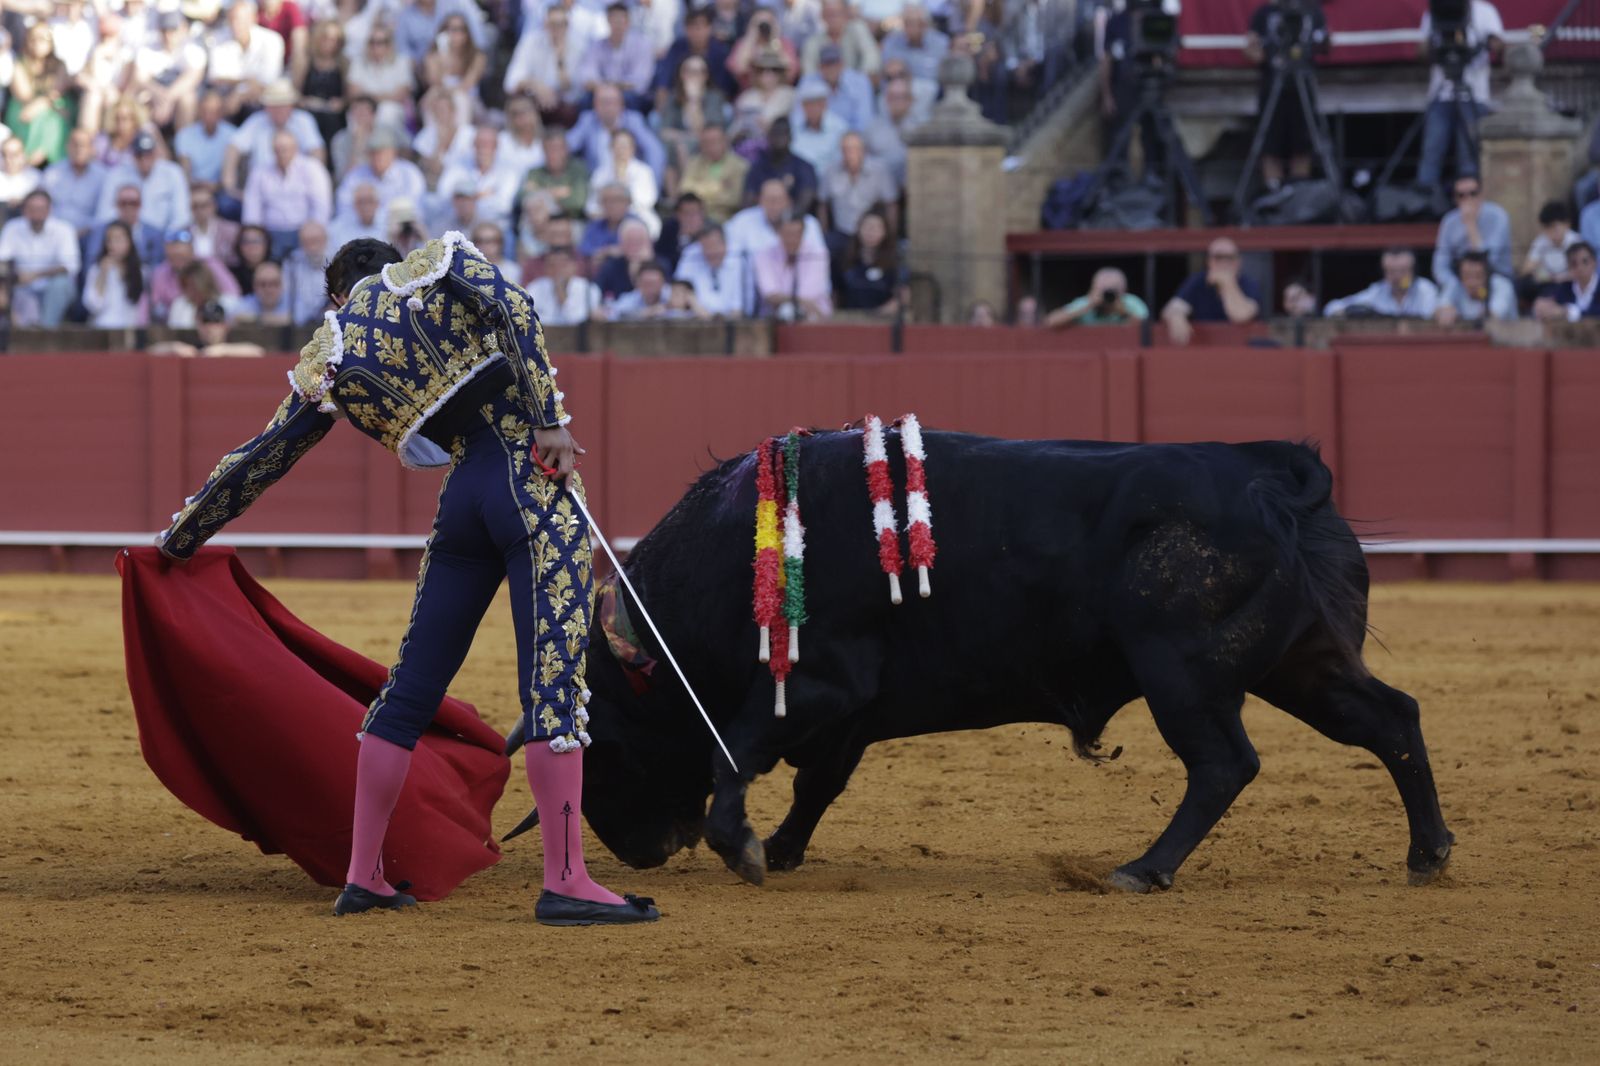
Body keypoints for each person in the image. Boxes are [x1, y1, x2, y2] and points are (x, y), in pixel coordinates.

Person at [156, 233, 659, 926]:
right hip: (527, 480)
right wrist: (549, 422)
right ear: (389, 263)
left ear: (337, 295)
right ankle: (566, 878)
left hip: (462, 508)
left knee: (408, 692)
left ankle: (364, 873)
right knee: (553, 684)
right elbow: (515, 307)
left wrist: (179, 539)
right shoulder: (435, 264)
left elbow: (260, 458)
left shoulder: (330, 356)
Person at [1416, 0, 1504, 190]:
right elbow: (1422, 50)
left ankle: (1468, 203)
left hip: (1474, 93)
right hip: (1441, 93)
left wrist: (1485, 45)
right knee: (1432, 152)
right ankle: (1424, 203)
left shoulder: (1485, 11)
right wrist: (1435, 48)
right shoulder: (1437, 9)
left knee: (1468, 157)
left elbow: (1498, 44)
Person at [1243, 1, 1329, 189]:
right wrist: (1266, 53)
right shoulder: (1265, 13)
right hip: (1273, 83)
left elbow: (1325, 44)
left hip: (1302, 86)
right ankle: (1274, 195)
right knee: (1270, 146)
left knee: (1302, 146)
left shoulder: (1312, 11)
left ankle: (1298, 195)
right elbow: (1251, 49)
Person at [241, 130, 332, 261]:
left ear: (296, 148)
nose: (281, 153)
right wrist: (255, 236)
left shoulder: (312, 168)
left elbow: (321, 207)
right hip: (270, 233)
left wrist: (312, 231)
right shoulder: (260, 172)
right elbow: (252, 207)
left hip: (302, 232)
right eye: (277, 149)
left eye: (286, 149)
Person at [1160, 237, 1262, 346]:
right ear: (1209, 261)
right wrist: (1176, 316)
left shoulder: (1249, 284)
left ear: (1238, 262)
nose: (1224, 262)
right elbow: (1173, 307)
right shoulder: (1198, 281)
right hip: (1205, 349)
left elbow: (1241, 316)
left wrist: (1228, 284)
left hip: (1242, 350)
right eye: (1218, 257)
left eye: (1230, 258)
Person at [0, 189, 79, 327]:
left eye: (41, 208)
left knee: (61, 284)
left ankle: (46, 330)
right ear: (24, 210)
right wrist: (4, 287)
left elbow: (70, 266)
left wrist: (35, 275)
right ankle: (24, 331)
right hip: (21, 286)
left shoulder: (64, 229)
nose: (36, 213)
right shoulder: (12, 228)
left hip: (52, 287)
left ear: (50, 210)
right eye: (32, 208)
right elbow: (3, 261)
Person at [567, 83, 668, 183]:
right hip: (597, 183)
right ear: (594, 105)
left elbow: (655, 151)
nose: (607, 107)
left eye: (612, 102)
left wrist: (652, 187)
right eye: (603, 102)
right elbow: (567, 145)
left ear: (622, 105)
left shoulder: (633, 120)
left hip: (628, 184)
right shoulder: (587, 120)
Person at [6, 22, 76, 167]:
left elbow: (57, 90)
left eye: (43, 39)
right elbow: (24, 94)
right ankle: (30, 158)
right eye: (33, 39)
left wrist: (42, 103)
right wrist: (42, 103)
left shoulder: (59, 64)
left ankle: (46, 156)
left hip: (49, 105)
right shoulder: (19, 63)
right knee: (39, 116)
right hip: (25, 106)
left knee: (55, 119)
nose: (38, 43)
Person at [503, 3, 587, 118]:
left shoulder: (578, 47)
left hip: (562, 107)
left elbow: (576, 92)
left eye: (561, 24)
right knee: (519, 103)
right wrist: (536, 86)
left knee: (569, 110)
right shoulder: (530, 42)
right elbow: (511, 82)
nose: (556, 29)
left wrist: (560, 61)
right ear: (545, 25)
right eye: (552, 24)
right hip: (532, 103)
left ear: (568, 26)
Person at [209, 0, 288, 118]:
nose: (235, 25)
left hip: (262, 102)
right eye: (232, 19)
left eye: (240, 20)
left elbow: (267, 82)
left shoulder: (272, 41)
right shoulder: (217, 38)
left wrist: (239, 94)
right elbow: (217, 78)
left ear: (253, 19)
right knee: (210, 104)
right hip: (226, 99)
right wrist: (247, 82)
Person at [132, 11, 209, 131]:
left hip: (176, 100)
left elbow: (194, 77)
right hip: (155, 100)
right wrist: (159, 96)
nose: (169, 35)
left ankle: (182, 145)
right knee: (141, 98)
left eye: (173, 30)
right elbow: (140, 79)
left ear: (183, 29)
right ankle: (149, 143)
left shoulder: (192, 49)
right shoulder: (148, 49)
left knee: (187, 99)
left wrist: (167, 99)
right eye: (165, 30)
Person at [819, 131, 897, 249]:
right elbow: (822, 204)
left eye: (854, 149)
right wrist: (823, 233)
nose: (850, 153)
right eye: (845, 149)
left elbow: (891, 204)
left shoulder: (879, 171)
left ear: (864, 150)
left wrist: (891, 234)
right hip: (842, 232)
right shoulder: (831, 171)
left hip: (871, 234)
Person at [149, 227, 243, 324]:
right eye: (173, 257)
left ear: (191, 251)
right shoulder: (160, 272)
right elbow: (156, 305)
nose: (178, 261)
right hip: (180, 315)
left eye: (181, 256)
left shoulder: (210, 264)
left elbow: (234, 295)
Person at [1432, 175, 1512, 288]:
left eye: (1473, 193)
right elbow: (1440, 263)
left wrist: (1471, 225)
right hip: (1460, 281)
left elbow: (1488, 261)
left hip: (1496, 279)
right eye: (1461, 195)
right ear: (1455, 199)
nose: (1468, 199)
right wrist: (1452, 284)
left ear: (1481, 195)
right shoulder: (1449, 221)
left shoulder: (1498, 216)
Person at [336, 127, 427, 224]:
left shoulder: (409, 173)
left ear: (393, 152)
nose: (377, 157)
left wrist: (376, 217)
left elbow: (415, 209)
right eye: (373, 153)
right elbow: (343, 207)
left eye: (381, 152)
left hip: (397, 230)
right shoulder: (355, 175)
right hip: (361, 229)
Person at [754, 213, 832, 320]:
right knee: (787, 311)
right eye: (787, 234)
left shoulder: (818, 254)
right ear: (779, 232)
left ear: (803, 233)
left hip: (815, 318)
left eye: (796, 234)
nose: (791, 239)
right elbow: (770, 294)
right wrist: (799, 300)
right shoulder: (764, 255)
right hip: (774, 320)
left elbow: (810, 294)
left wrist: (784, 298)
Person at [585, 128, 659, 238]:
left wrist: (623, 183)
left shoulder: (643, 171)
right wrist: (609, 213)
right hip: (606, 222)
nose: (621, 150)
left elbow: (648, 200)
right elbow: (591, 206)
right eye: (617, 146)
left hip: (637, 220)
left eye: (625, 146)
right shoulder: (600, 174)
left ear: (633, 148)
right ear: (610, 148)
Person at [577, 2, 655, 109]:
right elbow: (587, 74)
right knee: (585, 100)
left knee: (627, 99)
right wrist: (604, 88)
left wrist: (612, 88)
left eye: (621, 21)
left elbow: (640, 82)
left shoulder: (642, 44)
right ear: (608, 21)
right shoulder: (597, 45)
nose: (618, 25)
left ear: (628, 22)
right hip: (602, 92)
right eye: (614, 20)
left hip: (630, 95)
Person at [1322, 249, 1440, 319]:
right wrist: (1347, 311)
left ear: (1413, 271)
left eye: (1403, 271)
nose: (1397, 277)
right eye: (1391, 272)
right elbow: (1331, 308)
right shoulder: (1378, 291)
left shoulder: (1425, 290)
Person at [346, 21, 415, 132]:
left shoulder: (401, 62)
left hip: (392, 108)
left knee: (387, 112)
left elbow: (401, 94)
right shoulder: (358, 62)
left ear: (389, 44)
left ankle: (385, 148)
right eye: (372, 42)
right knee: (358, 114)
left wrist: (370, 96)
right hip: (364, 107)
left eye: (380, 42)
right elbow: (354, 93)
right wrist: (384, 96)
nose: (375, 46)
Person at [742, 118, 817, 215]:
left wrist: (785, 218)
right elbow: (747, 202)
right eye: (775, 134)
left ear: (790, 138)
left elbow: (804, 204)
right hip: (762, 218)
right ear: (768, 138)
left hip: (793, 220)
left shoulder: (804, 167)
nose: (779, 139)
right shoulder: (758, 166)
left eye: (783, 134)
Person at [149, 296, 267, 357]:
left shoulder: (232, 347)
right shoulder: (193, 348)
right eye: (206, 321)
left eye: (216, 321)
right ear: (198, 325)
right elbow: (151, 351)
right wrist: (174, 347)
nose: (210, 327)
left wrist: (223, 350)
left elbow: (258, 352)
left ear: (225, 325)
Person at [835, 210, 903, 315]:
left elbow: (902, 296)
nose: (870, 231)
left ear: (885, 232)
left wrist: (877, 314)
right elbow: (835, 293)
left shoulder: (893, 262)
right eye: (867, 226)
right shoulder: (845, 259)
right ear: (859, 229)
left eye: (876, 228)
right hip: (850, 320)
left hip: (882, 322)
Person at [422, 12, 486, 122]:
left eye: (460, 29)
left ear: (467, 33)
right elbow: (435, 82)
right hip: (441, 96)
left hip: (470, 101)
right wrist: (444, 57)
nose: (455, 34)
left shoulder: (477, 56)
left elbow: (467, 85)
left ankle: (460, 138)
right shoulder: (433, 56)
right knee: (432, 101)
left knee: (459, 99)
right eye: (450, 29)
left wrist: (443, 92)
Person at [41, 128, 104, 238]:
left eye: (84, 145)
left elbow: (102, 212)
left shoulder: (102, 176)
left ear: (91, 148)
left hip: (87, 234)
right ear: (67, 146)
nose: (79, 149)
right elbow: (43, 205)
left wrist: (85, 230)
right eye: (75, 144)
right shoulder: (52, 172)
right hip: (53, 233)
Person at [86, 183, 167, 268]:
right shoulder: (101, 231)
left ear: (141, 204)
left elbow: (158, 267)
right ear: (116, 205)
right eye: (123, 203)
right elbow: (91, 263)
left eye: (133, 203)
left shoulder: (154, 234)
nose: (128, 208)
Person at [679, 123, 748, 224]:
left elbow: (734, 199)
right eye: (706, 143)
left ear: (725, 141)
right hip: (694, 218)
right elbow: (684, 190)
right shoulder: (694, 163)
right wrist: (718, 187)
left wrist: (699, 191)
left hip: (725, 220)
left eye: (714, 141)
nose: (710, 146)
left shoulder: (739, 166)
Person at [296, 20, 349, 149]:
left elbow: (348, 96)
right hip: (309, 110)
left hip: (333, 114)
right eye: (326, 38)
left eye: (335, 40)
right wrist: (305, 101)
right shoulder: (307, 62)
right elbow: (296, 92)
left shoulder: (344, 64)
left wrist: (341, 103)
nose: (330, 44)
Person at [862, 75, 921, 189]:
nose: (897, 102)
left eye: (901, 97)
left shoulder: (921, 128)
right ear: (886, 100)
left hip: (912, 189)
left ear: (910, 100)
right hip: (880, 191)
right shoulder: (873, 127)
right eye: (892, 97)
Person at [674, 224, 747, 316]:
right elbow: (678, 293)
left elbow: (738, 307)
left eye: (715, 245)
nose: (712, 252)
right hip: (696, 322)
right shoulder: (690, 256)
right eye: (706, 247)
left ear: (725, 244)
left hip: (734, 323)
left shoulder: (739, 259)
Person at [519, 129, 589, 221]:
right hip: (540, 223)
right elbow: (522, 197)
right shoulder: (534, 172)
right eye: (549, 149)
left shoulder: (578, 170)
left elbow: (578, 202)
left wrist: (542, 193)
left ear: (566, 149)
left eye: (557, 148)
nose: (553, 154)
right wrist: (559, 192)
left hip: (570, 222)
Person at [1045, 267, 1149, 327]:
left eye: (1111, 293)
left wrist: (1123, 312)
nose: (1106, 297)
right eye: (1103, 292)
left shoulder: (1131, 303)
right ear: (1093, 290)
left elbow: (1147, 329)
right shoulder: (1086, 303)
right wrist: (1087, 307)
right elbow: (1050, 321)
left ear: (1123, 292)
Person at [175, 92, 239, 188]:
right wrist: (201, 187)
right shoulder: (184, 135)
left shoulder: (233, 135)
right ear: (199, 111)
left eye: (214, 112)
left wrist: (216, 187)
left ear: (221, 113)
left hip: (221, 189)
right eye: (206, 112)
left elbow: (231, 174)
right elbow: (185, 173)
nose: (209, 117)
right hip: (194, 189)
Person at [528, 243, 603, 324]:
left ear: (574, 266)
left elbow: (577, 321)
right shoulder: (535, 287)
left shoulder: (588, 288)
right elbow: (530, 318)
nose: (558, 270)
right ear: (546, 268)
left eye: (563, 265)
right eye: (552, 265)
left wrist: (562, 296)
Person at [1434, 250, 1516, 325]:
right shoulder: (1455, 284)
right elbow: (1440, 308)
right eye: (1467, 276)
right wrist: (1445, 311)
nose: (1472, 283)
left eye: (1478, 276)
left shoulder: (1502, 285)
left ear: (1487, 275)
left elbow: (1494, 317)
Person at [802, 0, 880, 78]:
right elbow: (809, 72)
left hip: (857, 84)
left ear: (846, 14)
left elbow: (871, 58)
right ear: (822, 16)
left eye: (837, 13)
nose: (833, 18)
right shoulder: (813, 42)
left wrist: (858, 80)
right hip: (824, 86)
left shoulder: (857, 29)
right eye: (829, 14)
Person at [1518, 201, 1579, 301]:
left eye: (1554, 227)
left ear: (1566, 224)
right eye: (1547, 228)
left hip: (1569, 284)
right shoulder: (1541, 241)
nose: (1551, 232)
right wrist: (1539, 273)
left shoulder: (1576, 242)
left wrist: (1560, 278)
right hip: (1547, 284)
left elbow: (1581, 272)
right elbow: (1526, 269)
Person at [789, 78, 849, 174]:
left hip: (830, 181)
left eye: (817, 103)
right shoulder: (793, 126)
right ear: (802, 106)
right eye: (809, 104)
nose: (813, 108)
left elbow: (842, 162)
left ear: (825, 104)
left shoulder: (839, 127)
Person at [880, 5, 949, 87]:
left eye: (917, 24)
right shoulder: (891, 41)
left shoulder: (941, 42)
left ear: (925, 25)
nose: (911, 28)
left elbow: (944, 75)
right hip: (899, 90)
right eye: (907, 23)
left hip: (931, 91)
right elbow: (886, 70)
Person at [1533, 242, 1600, 322]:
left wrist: (1567, 312)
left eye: (1585, 262)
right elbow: (1555, 306)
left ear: (1595, 263)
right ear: (1569, 267)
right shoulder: (1565, 288)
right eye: (1574, 264)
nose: (1580, 268)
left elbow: (1596, 314)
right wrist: (1545, 309)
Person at [594, 217, 655, 299]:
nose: (635, 247)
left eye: (639, 241)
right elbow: (596, 291)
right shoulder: (611, 266)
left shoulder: (660, 265)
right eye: (630, 241)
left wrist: (643, 267)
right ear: (621, 244)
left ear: (648, 243)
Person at [283, 220, 331, 325]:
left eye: (315, 241)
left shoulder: (338, 262)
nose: (311, 246)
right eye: (306, 242)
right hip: (299, 325)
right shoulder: (292, 262)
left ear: (325, 240)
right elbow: (286, 296)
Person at [578, 181, 635, 264]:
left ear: (628, 202)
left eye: (617, 200)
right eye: (606, 201)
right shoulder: (594, 226)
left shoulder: (637, 226)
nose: (612, 205)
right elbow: (584, 251)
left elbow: (639, 253)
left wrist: (617, 252)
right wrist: (604, 253)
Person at [189, 183, 242, 265]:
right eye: (195, 206)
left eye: (204, 205)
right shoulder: (184, 232)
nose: (199, 210)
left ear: (214, 206)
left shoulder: (232, 231)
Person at [608, 258, 676, 318]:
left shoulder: (673, 294)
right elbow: (615, 314)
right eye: (646, 284)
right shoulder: (631, 298)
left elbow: (682, 313)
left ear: (663, 282)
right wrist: (645, 313)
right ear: (638, 283)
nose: (650, 288)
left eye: (654, 283)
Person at [328, 180, 386, 250]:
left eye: (370, 201)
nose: (366, 206)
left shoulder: (388, 225)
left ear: (377, 203)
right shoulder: (338, 228)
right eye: (361, 202)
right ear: (354, 205)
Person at [235, 258, 293, 324]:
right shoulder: (247, 302)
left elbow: (298, 318)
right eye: (263, 284)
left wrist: (257, 319)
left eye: (274, 283)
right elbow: (237, 316)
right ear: (254, 286)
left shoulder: (292, 302)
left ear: (282, 285)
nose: (268, 289)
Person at [0, 137, 42, 213]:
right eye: (4, 154)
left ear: (23, 154)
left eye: (14, 154)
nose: (8, 159)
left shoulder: (35, 177)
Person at [232, 224, 275, 294]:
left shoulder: (279, 269)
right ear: (238, 246)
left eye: (256, 241)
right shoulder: (232, 275)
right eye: (246, 241)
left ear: (267, 244)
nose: (251, 246)